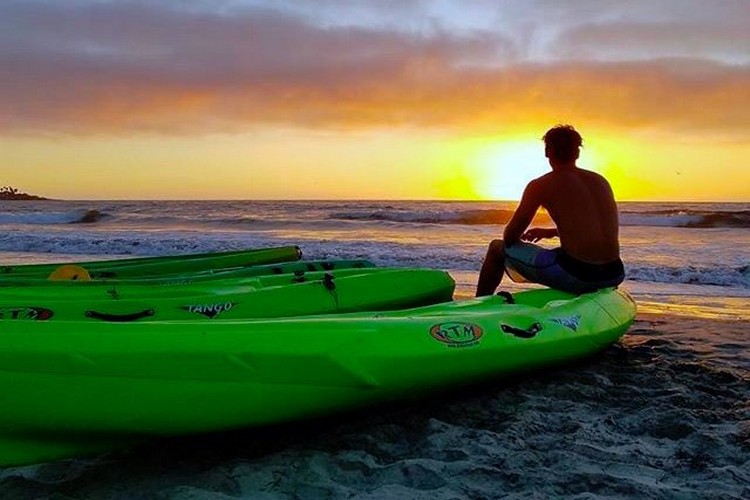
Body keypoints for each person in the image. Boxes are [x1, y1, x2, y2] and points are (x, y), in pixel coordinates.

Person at [476, 124, 625, 296]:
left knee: (497, 248)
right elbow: (598, 231)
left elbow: (509, 238)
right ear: (577, 153)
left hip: (578, 275)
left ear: (547, 151)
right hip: (614, 273)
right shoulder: (600, 181)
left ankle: (477, 305)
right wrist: (554, 232)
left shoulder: (541, 185)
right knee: (565, 255)